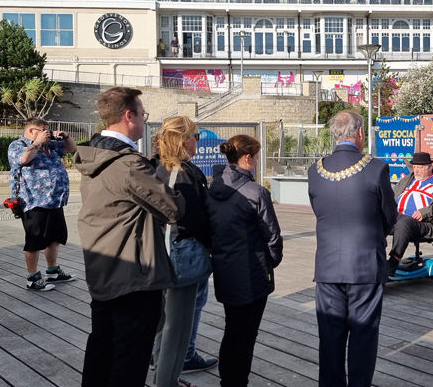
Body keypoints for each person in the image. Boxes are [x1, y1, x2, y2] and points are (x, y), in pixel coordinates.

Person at [76, 87, 182, 385]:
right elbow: (173, 208)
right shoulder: (127, 163)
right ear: (128, 116)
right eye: (142, 114)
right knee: (130, 361)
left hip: (103, 269)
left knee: (102, 351)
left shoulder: (94, 154)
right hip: (134, 276)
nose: (144, 121)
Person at [307, 110, 398, 387]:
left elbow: (319, 211)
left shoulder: (315, 170)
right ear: (359, 133)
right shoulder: (375, 168)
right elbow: (390, 216)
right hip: (364, 265)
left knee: (330, 338)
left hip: (327, 266)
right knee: (363, 336)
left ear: (335, 134)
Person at [207, 135, 283, 387]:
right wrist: (269, 263)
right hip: (252, 274)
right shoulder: (256, 192)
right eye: (257, 157)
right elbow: (273, 237)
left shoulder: (213, 189)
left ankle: (228, 380)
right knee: (246, 335)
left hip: (224, 270)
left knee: (232, 329)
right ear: (248, 158)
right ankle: (236, 382)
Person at [151, 116, 215, 387]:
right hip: (182, 253)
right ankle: (167, 381)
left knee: (164, 322)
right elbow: (195, 218)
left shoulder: (156, 167)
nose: (197, 141)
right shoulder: (183, 172)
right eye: (196, 136)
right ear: (184, 140)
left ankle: (162, 372)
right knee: (177, 329)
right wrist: (212, 245)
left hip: (161, 251)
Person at [7, 118, 77, 291]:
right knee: (35, 240)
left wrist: (65, 136)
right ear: (32, 131)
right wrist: (37, 143)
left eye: (48, 130)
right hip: (34, 201)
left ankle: (53, 271)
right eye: (43, 130)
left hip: (55, 200)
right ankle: (32, 278)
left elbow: (71, 148)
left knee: (55, 237)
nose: (47, 133)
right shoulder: (17, 145)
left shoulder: (50, 146)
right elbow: (24, 159)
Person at [387, 151, 433, 276]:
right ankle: (372, 258)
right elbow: (390, 196)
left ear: (430, 167)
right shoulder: (407, 180)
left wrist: (425, 212)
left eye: (420, 167)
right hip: (397, 216)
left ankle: (393, 262)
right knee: (374, 219)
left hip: (424, 223)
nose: (417, 171)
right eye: (415, 167)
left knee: (404, 223)